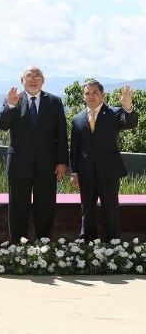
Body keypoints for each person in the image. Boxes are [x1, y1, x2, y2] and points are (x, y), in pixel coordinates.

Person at [0, 66, 68, 243]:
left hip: (47, 165)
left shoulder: (54, 102)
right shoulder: (13, 100)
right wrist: (11, 106)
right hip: (19, 165)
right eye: (29, 76)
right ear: (22, 80)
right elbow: (2, 125)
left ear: (43, 81)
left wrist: (62, 162)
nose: (34, 79)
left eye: (38, 76)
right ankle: (18, 248)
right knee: (18, 209)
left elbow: (61, 135)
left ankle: (43, 246)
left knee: (45, 208)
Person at [70, 80, 138, 241]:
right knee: (87, 210)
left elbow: (130, 122)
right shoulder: (77, 119)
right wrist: (74, 172)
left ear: (103, 95)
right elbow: (74, 149)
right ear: (83, 96)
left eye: (95, 93)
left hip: (109, 172)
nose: (91, 96)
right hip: (85, 173)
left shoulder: (114, 113)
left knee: (111, 210)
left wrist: (127, 107)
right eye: (87, 93)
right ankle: (88, 244)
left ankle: (112, 245)